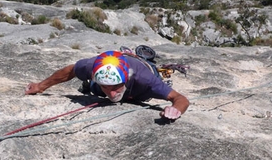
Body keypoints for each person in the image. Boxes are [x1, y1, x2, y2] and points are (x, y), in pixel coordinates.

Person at [25, 50, 189, 120]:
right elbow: (71, 70)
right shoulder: (90, 66)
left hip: (141, 86)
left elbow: (180, 98)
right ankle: (96, 83)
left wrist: (176, 109)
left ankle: (143, 58)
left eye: (116, 86)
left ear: (125, 79)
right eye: (107, 87)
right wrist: (40, 86)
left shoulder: (145, 79)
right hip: (100, 82)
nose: (111, 94)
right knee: (95, 89)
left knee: (151, 71)